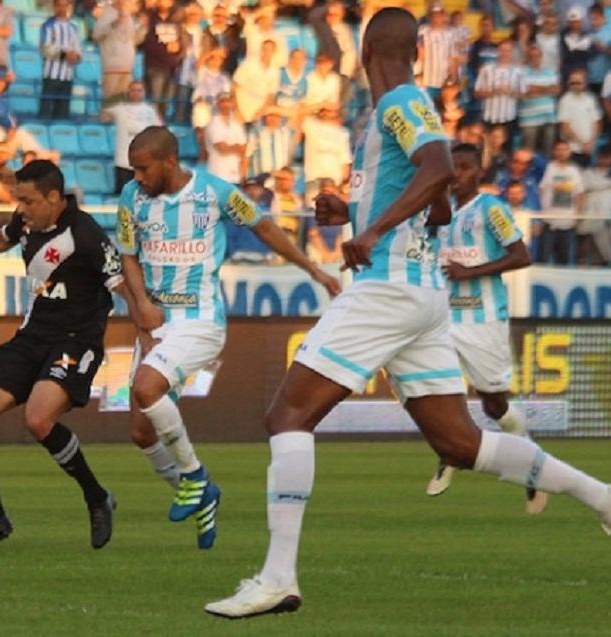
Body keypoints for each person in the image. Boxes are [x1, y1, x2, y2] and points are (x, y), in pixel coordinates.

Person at [205, 8, 611, 619]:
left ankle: (277, 577)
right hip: (421, 294)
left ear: (366, 50)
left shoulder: (399, 101)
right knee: (460, 442)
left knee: (286, 414)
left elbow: (441, 167)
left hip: (388, 288)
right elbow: (441, 207)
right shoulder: (390, 111)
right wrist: (352, 209)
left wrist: (372, 231)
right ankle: (602, 496)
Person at [115, 126, 339, 550]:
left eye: (144, 169)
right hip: (156, 319)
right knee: (142, 433)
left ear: (169, 162)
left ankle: (196, 478)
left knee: (146, 387)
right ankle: (202, 497)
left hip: (199, 320)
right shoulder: (132, 198)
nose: (137, 177)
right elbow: (128, 254)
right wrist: (141, 304)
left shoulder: (214, 193)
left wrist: (315, 270)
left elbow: (265, 228)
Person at [0, 160, 136, 550]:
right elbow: (2, 238)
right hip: (31, 336)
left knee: (38, 419)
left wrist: (149, 323)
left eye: (28, 201)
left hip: (75, 341)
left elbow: (121, 283)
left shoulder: (86, 234)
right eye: (18, 200)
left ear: (54, 199)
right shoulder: (26, 221)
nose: (21, 208)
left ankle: (96, 495)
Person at [424, 144, 545, 515]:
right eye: (453, 168)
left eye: (464, 168)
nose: (457, 174)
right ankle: (450, 454)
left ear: (478, 173)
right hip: (444, 317)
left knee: (494, 404)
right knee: (437, 390)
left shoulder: (491, 209)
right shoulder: (438, 213)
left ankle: (531, 461)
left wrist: (469, 273)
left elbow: (521, 255)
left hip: (483, 317)